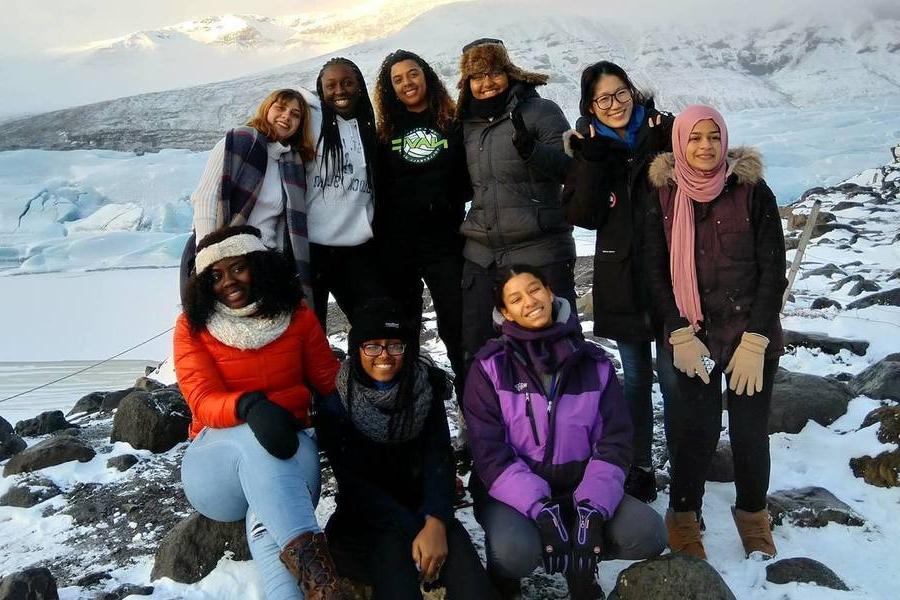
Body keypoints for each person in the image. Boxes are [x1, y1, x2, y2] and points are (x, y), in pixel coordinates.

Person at [463, 265, 667, 600]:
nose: (529, 301)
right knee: (513, 552)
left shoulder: (593, 363)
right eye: (515, 298)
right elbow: (489, 454)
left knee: (648, 534)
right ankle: (505, 575)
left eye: (534, 289)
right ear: (504, 312)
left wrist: (592, 509)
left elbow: (614, 442)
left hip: (578, 489)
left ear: (549, 290)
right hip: (512, 496)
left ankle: (581, 563)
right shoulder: (490, 367)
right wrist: (540, 508)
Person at [644, 105, 787, 560]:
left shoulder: (752, 191)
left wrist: (757, 338)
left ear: (724, 140)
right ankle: (683, 516)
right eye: (694, 138)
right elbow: (654, 271)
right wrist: (678, 333)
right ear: (679, 142)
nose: (704, 146)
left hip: (749, 335)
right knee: (696, 430)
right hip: (693, 336)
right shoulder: (662, 195)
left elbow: (773, 269)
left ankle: (752, 515)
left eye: (712, 137)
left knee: (749, 432)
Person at [174, 225, 346, 600]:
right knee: (256, 441)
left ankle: (314, 591)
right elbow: (201, 398)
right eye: (215, 276)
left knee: (268, 522)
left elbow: (329, 379)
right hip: (216, 466)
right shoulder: (193, 326)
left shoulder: (296, 314)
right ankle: (327, 584)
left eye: (238, 268)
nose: (228, 282)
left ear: (259, 265)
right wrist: (249, 406)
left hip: (289, 451)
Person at [315, 298, 498, 600]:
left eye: (394, 345)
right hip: (370, 519)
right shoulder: (337, 402)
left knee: (475, 592)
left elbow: (438, 459)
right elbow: (355, 484)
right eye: (372, 346)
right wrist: (418, 528)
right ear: (357, 350)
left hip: (426, 508)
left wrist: (437, 520)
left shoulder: (424, 390)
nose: (384, 355)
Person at [564, 61, 680, 503]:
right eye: (603, 99)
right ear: (590, 106)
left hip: (671, 271)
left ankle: (685, 460)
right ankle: (640, 465)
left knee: (673, 377)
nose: (614, 105)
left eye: (620, 94)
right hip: (621, 273)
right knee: (635, 379)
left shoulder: (662, 132)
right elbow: (582, 215)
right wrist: (591, 160)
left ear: (633, 92)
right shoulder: (588, 149)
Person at [455, 38, 577, 368]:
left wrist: (532, 151)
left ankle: (567, 417)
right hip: (482, 254)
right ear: (467, 83)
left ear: (509, 72)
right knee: (480, 353)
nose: (486, 83)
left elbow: (572, 168)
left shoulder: (541, 112)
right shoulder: (464, 124)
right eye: (476, 77)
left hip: (540, 248)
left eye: (494, 73)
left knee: (555, 350)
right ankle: (485, 418)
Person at [372, 49, 470, 400]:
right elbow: (380, 190)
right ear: (390, 89)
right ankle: (411, 405)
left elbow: (467, 179)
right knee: (405, 328)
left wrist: (442, 201)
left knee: (457, 327)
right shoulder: (385, 133)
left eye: (412, 74)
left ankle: (472, 404)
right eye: (397, 79)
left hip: (445, 243)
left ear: (426, 75)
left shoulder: (452, 121)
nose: (407, 83)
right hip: (399, 247)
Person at [184, 89, 316, 306]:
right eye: (280, 108)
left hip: (267, 264)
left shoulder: (292, 163)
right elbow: (205, 197)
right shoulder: (239, 141)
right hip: (227, 259)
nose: (286, 117)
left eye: (295, 114)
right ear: (267, 109)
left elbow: (283, 225)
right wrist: (207, 256)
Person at [306, 57, 386, 328]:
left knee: (371, 324)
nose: (339, 90)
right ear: (321, 89)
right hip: (312, 250)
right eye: (331, 85)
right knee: (311, 329)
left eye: (347, 82)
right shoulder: (311, 124)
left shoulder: (368, 130)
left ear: (360, 86)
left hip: (357, 250)